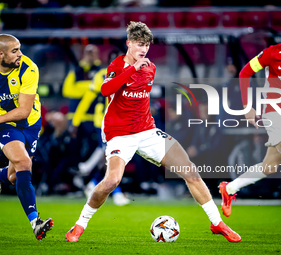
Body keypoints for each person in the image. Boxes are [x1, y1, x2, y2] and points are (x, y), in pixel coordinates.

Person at [65, 21, 241, 243]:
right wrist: (131, 69)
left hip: (147, 131)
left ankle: (217, 223)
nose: (144, 49)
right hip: (119, 134)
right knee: (111, 181)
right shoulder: (116, 66)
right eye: (139, 44)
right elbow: (105, 90)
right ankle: (80, 224)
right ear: (128, 43)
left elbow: (140, 100)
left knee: (190, 172)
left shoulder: (151, 67)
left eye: (147, 45)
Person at [218, 14, 281, 232]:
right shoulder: (273, 53)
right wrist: (247, 107)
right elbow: (245, 73)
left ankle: (229, 188)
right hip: (274, 112)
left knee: (269, 166)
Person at [0, 34, 53, 240]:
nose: (20, 54)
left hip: (30, 125)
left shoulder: (29, 68)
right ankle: (35, 221)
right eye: (14, 51)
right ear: (0, 54)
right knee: (23, 163)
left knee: (13, 176)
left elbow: (24, 111)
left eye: (19, 49)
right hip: (5, 125)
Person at [74, 50, 130, 206]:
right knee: (113, 156)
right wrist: (76, 121)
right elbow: (88, 98)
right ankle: (117, 193)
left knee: (111, 157)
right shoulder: (101, 76)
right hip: (105, 122)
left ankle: (92, 181)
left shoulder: (130, 75)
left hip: (122, 123)